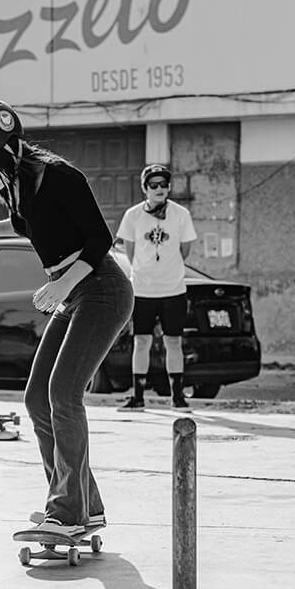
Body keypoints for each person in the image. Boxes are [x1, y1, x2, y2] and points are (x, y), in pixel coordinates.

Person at [0, 98, 134, 538]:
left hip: (101, 289)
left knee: (64, 394)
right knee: (36, 399)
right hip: (73, 292)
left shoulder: (60, 177)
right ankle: (83, 503)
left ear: (6, 151)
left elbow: (99, 240)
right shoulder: (18, 183)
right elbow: (25, 225)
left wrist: (62, 286)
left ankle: (67, 511)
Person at [116, 163, 197, 412]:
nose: (160, 189)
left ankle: (177, 395)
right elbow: (129, 250)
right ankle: (138, 396)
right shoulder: (133, 215)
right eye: (154, 185)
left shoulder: (181, 214)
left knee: (174, 341)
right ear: (145, 188)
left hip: (173, 289)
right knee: (141, 341)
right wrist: (145, 271)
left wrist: (168, 269)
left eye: (164, 184)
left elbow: (185, 249)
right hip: (142, 289)